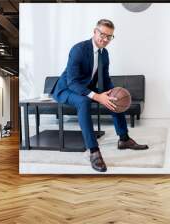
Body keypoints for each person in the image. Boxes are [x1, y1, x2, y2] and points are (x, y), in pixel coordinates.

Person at [51, 19, 149, 172]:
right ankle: (94, 151)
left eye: (109, 37)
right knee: (84, 101)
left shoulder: (105, 53)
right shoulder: (78, 49)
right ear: (95, 31)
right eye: (102, 34)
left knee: (113, 97)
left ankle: (124, 139)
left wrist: (111, 93)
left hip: (85, 87)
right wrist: (97, 96)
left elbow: (106, 78)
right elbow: (73, 82)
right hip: (66, 89)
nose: (105, 39)